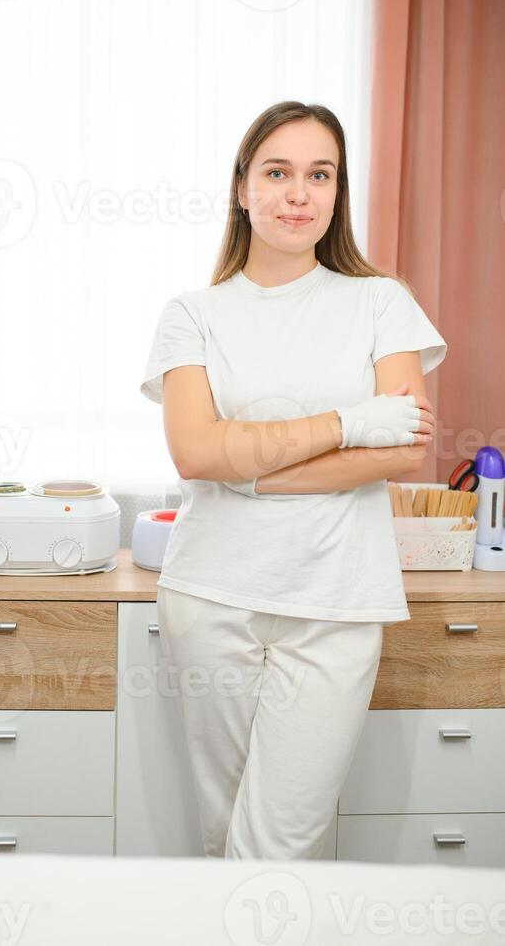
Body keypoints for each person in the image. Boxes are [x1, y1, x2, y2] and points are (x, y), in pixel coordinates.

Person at [139, 101, 447, 860]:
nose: (298, 193)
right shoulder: (192, 314)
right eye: (277, 173)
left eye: (320, 175)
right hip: (211, 596)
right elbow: (195, 454)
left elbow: (402, 446)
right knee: (223, 833)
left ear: (338, 193)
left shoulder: (381, 301)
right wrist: (349, 423)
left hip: (336, 603)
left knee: (276, 841)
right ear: (243, 187)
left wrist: (253, 473)